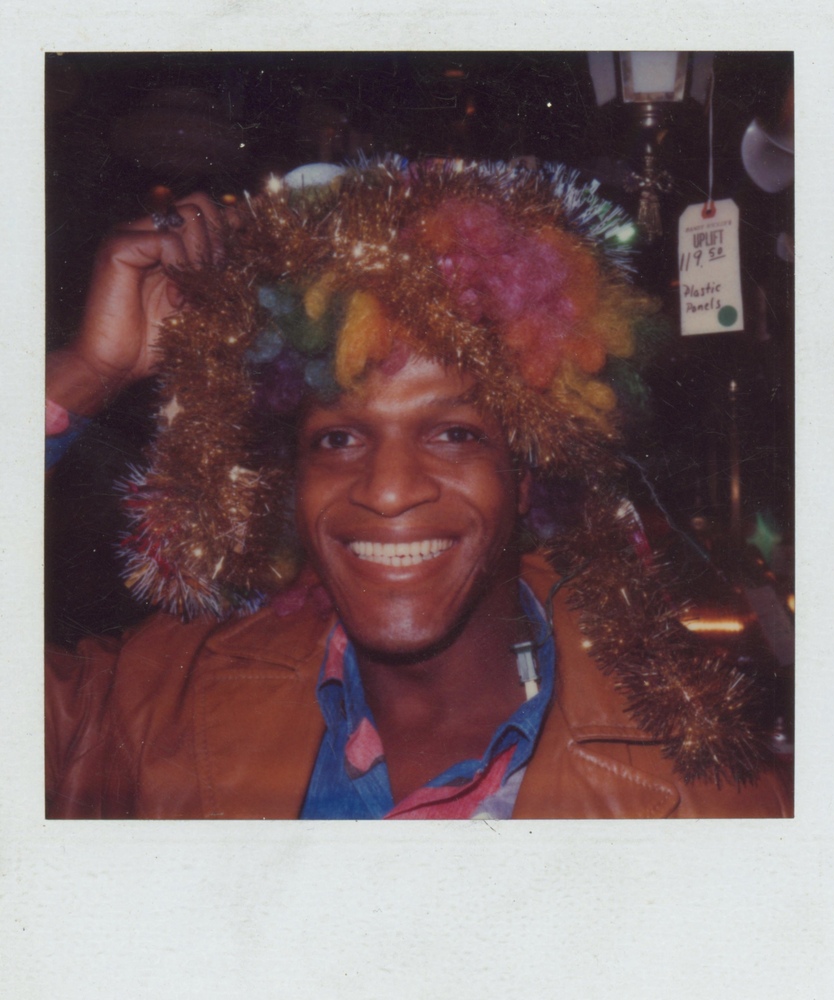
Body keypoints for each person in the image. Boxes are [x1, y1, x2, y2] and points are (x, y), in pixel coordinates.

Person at [45, 158, 792, 819]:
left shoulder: (709, 804)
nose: (391, 491)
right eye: (337, 438)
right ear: (291, 475)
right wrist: (85, 373)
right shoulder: (152, 713)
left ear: (527, 473)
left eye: (454, 433)